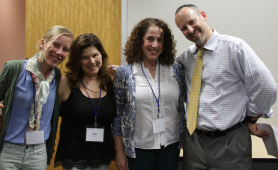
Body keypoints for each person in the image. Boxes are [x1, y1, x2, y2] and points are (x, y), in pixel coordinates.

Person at [174, 4, 277, 170]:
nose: (190, 29)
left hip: (231, 142)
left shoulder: (235, 48)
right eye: (183, 28)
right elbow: (160, 71)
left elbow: (267, 87)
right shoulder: (185, 57)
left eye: (192, 22)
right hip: (194, 143)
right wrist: (125, 71)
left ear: (203, 15)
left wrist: (251, 118)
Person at [0, 25, 74, 169]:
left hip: (38, 152)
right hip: (8, 151)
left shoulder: (57, 77)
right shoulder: (13, 68)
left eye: (65, 49)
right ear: (43, 43)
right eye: (55, 44)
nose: (59, 52)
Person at [112, 18, 187, 170]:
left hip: (171, 144)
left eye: (160, 40)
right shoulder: (124, 73)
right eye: (150, 39)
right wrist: (119, 152)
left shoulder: (176, 69)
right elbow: (118, 115)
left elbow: (184, 103)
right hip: (138, 147)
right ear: (139, 41)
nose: (155, 45)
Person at [54, 33, 116, 170]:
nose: (92, 61)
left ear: (102, 55)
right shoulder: (66, 82)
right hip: (74, 157)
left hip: (102, 156)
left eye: (95, 55)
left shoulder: (111, 82)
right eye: (85, 58)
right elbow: (49, 115)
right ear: (77, 60)